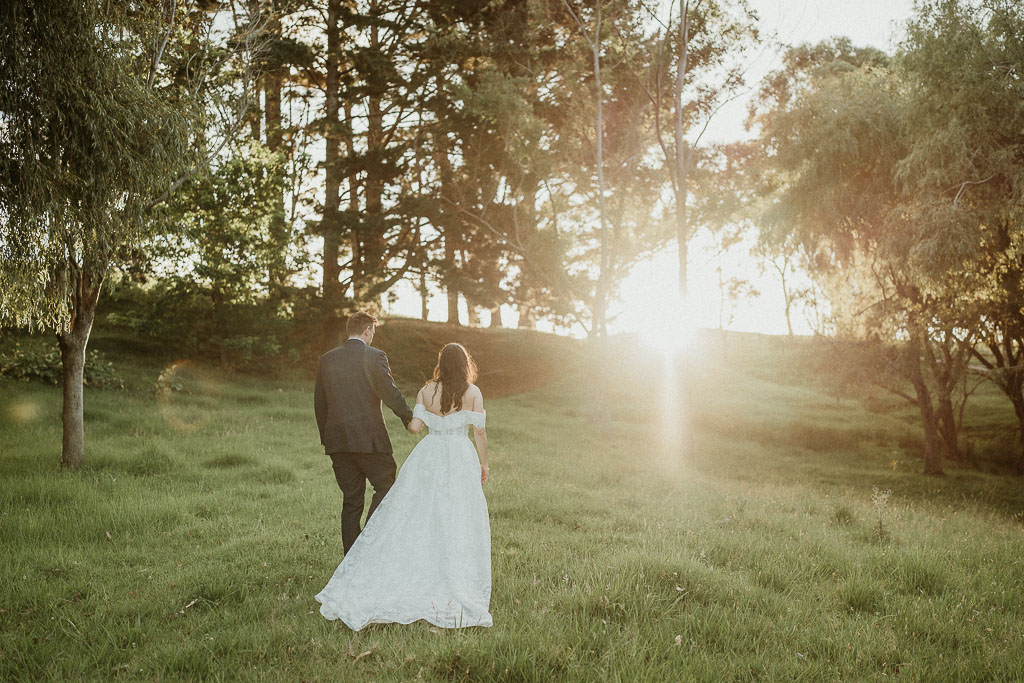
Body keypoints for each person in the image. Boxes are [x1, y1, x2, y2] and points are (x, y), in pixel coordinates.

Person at [315, 342, 492, 630]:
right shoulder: (472, 393)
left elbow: (415, 428)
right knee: (457, 512)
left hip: (430, 453)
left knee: (419, 512)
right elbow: (479, 431)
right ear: (464, 364)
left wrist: (420, 417)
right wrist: (484, 464)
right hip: (460, 455)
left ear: (441, 363)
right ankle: (448, 567)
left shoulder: (426, 391)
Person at [314, 311, 414, 554]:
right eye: (373, 332)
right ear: (368, 330)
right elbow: (390, 393)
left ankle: (351, 556)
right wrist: (409, 418)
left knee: (351, 500)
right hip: (369, 441)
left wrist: (328, 438)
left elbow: (320, 402)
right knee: (387, 485)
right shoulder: (374, 356)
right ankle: (366, 547)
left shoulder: (327, 359)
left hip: (338, 442)